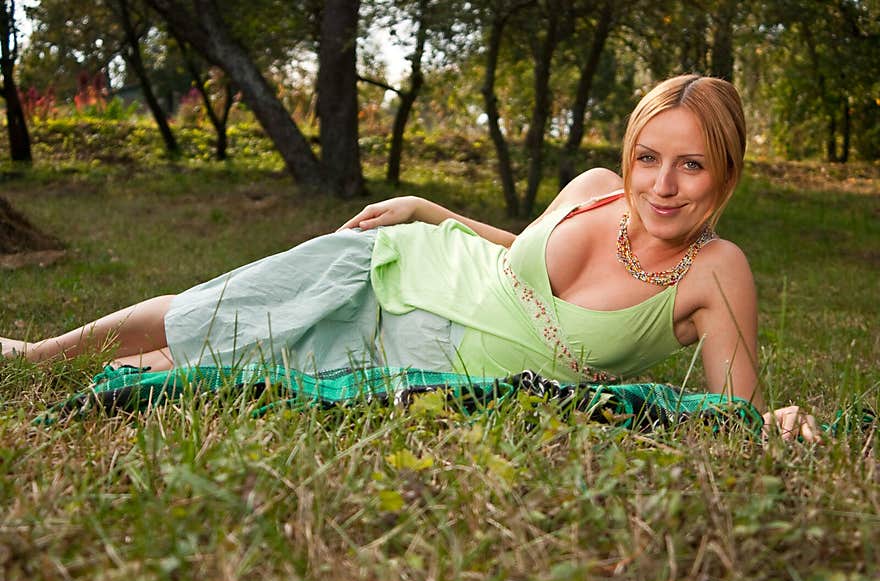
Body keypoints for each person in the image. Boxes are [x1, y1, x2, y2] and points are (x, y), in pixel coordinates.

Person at [1, 74, 819, 440]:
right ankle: (36, 354)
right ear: (629, 154)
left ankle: (89, 361)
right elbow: (520, 257)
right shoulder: (597, 185)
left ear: (727, 171)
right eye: (650, 156)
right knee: (214, 311)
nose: (662, 185)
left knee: (223, 354)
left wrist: (772, 421)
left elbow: (734, 412)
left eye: (691, 164)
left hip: (435, 358)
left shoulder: (718, 270)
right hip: (403, 264)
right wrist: (431, 211)